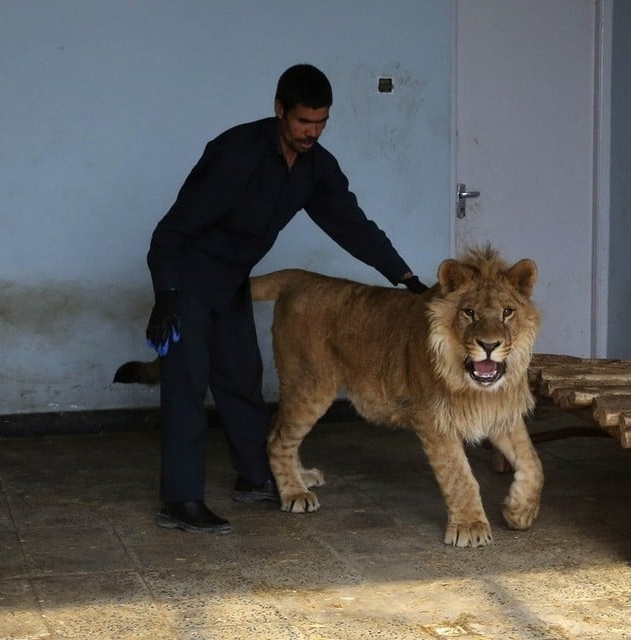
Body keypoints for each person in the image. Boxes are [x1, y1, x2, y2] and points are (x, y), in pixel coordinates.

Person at [144, 63, 427, 535]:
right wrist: (167, 292)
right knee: (187, 389)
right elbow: (172, 229)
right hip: (189, 281)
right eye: (302, 122)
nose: (311, 133)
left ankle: (256, 478)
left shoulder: (316, 168)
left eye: (320, 123)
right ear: (280, 110)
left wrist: (405, 276)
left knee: (242, 380)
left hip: (231, 282)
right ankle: (180, 500)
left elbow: (352, 225)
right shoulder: (235, 153)